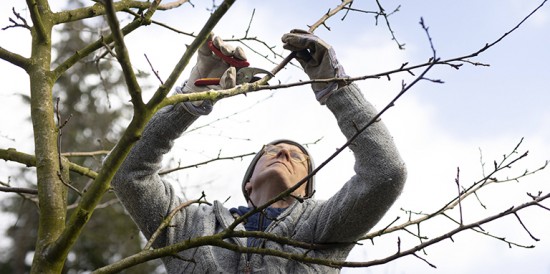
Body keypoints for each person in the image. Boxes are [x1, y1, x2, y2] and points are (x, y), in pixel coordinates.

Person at [112, 29, 407, 273]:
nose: (282, 154)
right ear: (248, 183)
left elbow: (385, 172)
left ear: (306, 189)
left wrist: (336, 88)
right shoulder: (191, 225)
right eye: (272, 150)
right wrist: (192, 97)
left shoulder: (324, 225)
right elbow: (128, 173)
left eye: (297, 157)